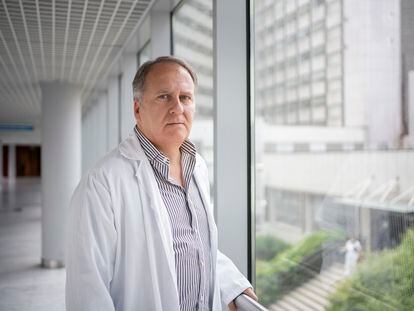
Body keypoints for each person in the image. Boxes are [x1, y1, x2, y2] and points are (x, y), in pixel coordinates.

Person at [66, 56, 257, 310]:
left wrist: (230, 284)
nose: (177, 108)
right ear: (137, 109)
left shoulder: (197, 166)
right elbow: (88, 291)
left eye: (185, 98)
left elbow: (191, 244)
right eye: (164, 97)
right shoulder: (101, 184)